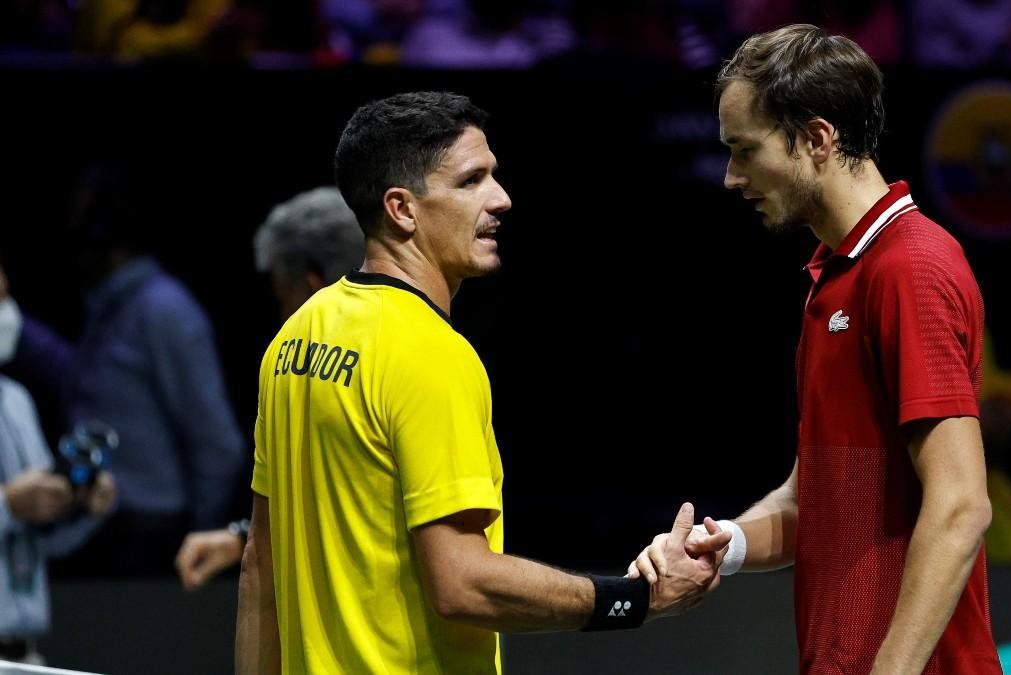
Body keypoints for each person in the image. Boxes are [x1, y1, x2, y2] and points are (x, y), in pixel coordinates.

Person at [235, 91, 728, 674]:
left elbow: (258, 566)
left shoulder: (297, 336)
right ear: (402, 209)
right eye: (471, 181)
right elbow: (463, 584)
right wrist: (634, 599)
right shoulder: (429, 353)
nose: (502, 198)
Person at [630, 25, 1001, 673]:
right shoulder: (831, 277)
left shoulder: (911, 268)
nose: (730, 176)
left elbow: (961, 503)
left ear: (817, 139)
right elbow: (820, 499)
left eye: (745, 150)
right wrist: (727, 543)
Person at [1, 166, 244, 576]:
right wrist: (16, 324)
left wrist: (199, 533)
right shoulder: (109, 308)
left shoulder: (164, 309)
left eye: (79, 229)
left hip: (153, 534)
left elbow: (218, 443)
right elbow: (83, 379)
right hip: (98, 523)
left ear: (103, 235)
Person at [176, 186, 364, 592]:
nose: (282, 316)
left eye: (283, 296)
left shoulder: (359, 376)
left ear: (313, 287)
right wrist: (245, 536)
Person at [0, 272, 118, 663]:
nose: (7, 314)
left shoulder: (16, 401)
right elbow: (14, 507)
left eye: (6, 296)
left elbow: (39, 540)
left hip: (23, 651)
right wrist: (8, 505)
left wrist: (79, 506)